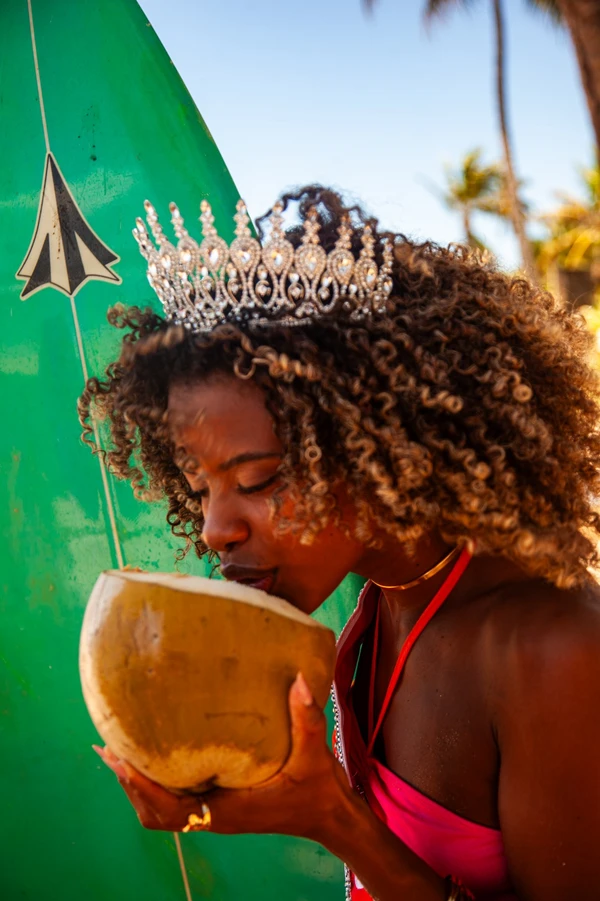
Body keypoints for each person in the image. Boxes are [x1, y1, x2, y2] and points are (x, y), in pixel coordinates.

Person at [80, 185, 600, 901]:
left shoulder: (553, 647)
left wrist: (334, 819)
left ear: (381, 443)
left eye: (257, 478)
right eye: (201, 488)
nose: (213, 527)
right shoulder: (371, 598)